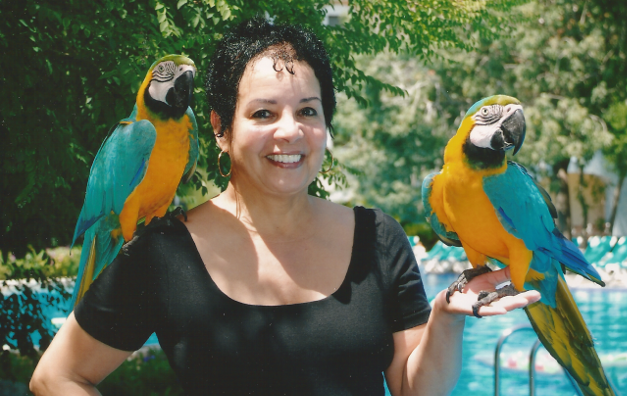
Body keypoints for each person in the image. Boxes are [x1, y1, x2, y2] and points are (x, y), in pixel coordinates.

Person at [30, 17, 540, 396]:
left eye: (309, 111)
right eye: (263, 112)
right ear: (220, 128)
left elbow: (412, 389)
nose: (290, 131)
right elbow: (57, 376)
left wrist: (446, 318)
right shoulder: (164, 251)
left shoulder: (379, 239)